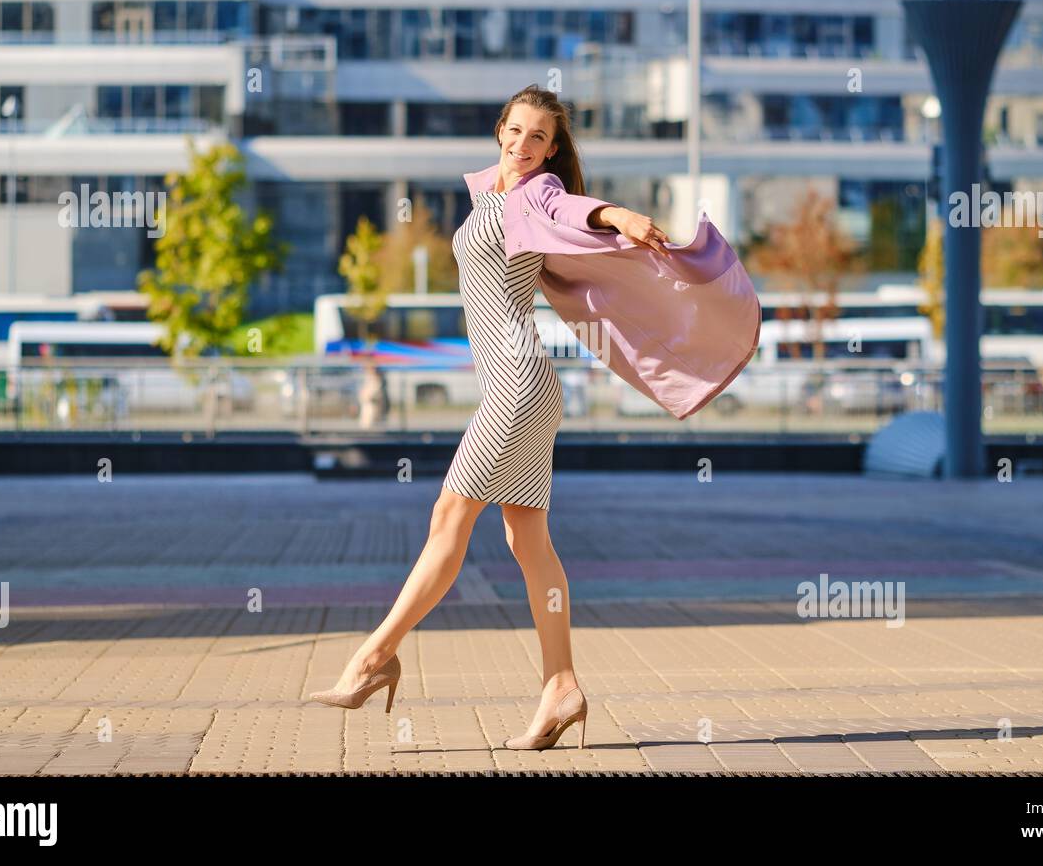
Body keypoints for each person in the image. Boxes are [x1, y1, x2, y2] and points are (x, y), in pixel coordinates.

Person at [308, 84, 759, 751]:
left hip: (518, 382)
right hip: (518, 384)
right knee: (528, 545)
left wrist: (619, 215)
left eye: (539, 139)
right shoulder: (490, 196)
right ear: (499, 131)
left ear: (552, 151)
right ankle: (561, 686)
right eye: (516, 132)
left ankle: (374, 657)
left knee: (448, 521)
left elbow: (575, 208)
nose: (524, 147)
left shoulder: (536, 195)